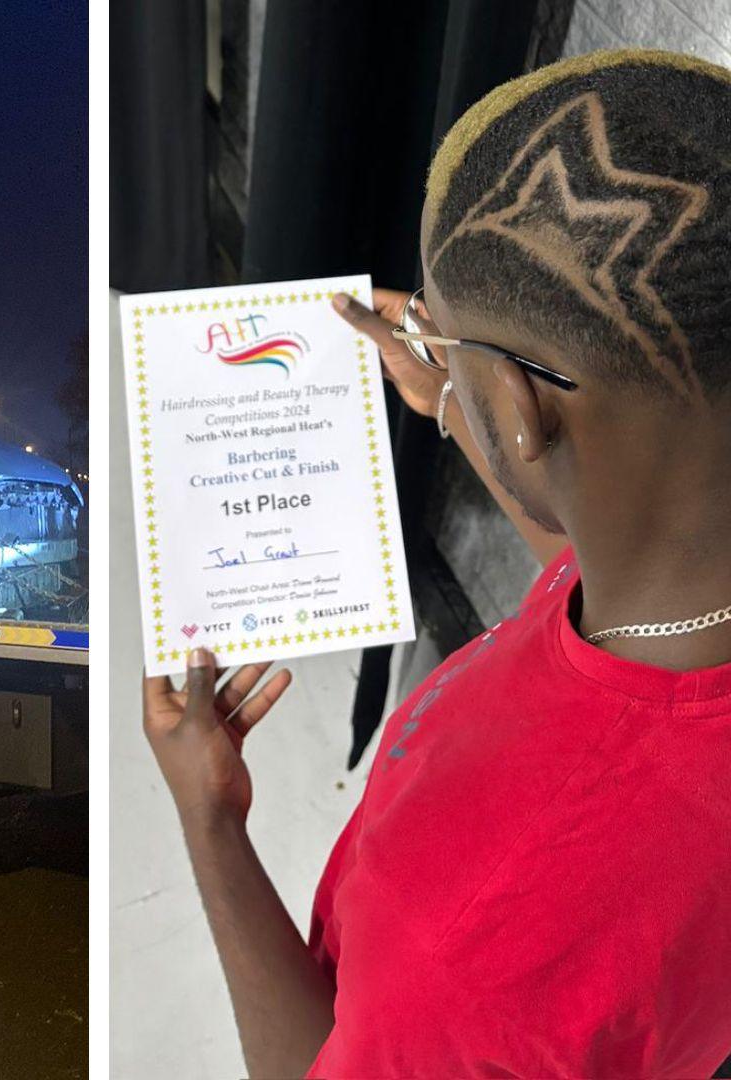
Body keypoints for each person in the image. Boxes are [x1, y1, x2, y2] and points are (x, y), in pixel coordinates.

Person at [145, 48, 731, 1077]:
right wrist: (462, 401)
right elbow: (595, 555)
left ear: (523, 406)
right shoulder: (679, 587)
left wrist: (209, 819)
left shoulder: (473, 944)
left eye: (443, 339)